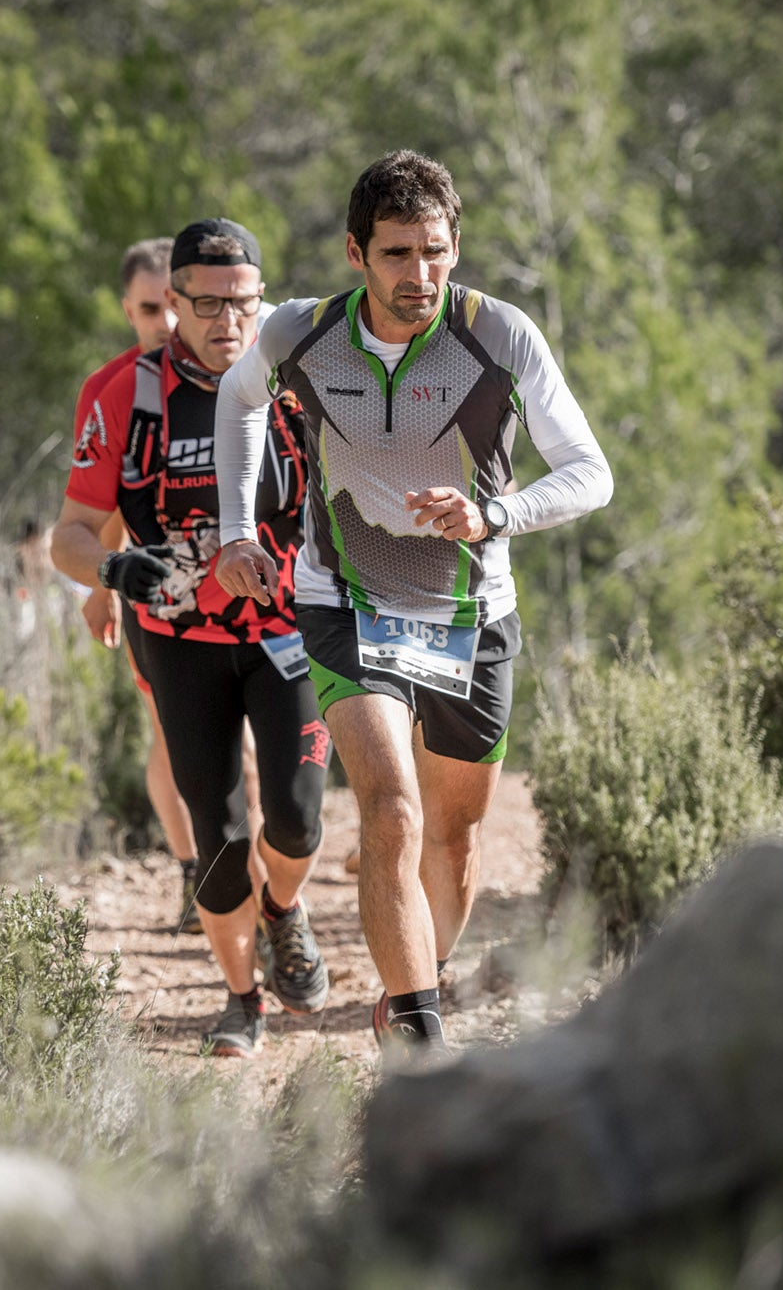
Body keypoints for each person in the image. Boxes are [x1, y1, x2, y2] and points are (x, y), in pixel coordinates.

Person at [214, 151, 613, 1058]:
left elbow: (592, 474)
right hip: (344, 601)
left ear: (456, 245)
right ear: (357, 254)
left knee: (454, 838)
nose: (419, 275)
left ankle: (411, 987)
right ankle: (421, 1042)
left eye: (435, 251)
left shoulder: (500, 336)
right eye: (396, 254)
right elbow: (239, 403)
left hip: (474, 613)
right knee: (390, 810)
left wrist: (494, 514)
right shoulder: (298, 335)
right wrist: (239, 530)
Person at [54, 219, 331, 1058]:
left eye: (241, 303)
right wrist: (113, 575)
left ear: (262, 300)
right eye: (204, 304)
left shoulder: (297, 381)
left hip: (285, 624)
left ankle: (284, 910)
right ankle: (241, 998)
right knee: (217, 836)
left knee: (297, 820)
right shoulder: (122, 393)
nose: (226, 322)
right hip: (178, 638)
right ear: (170, 304)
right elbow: (68, 532)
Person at [76, 238, 269, 936]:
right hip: (159, 600)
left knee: (247, 747)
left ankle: (253, 879)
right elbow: (100, 510)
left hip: (245, 598)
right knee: (171, 739)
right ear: (129, 309)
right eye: (148, 309)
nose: (163, 323)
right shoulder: (119, 385)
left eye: (171, 307)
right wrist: (102, 589)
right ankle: (197, 868)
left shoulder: (239, 368)